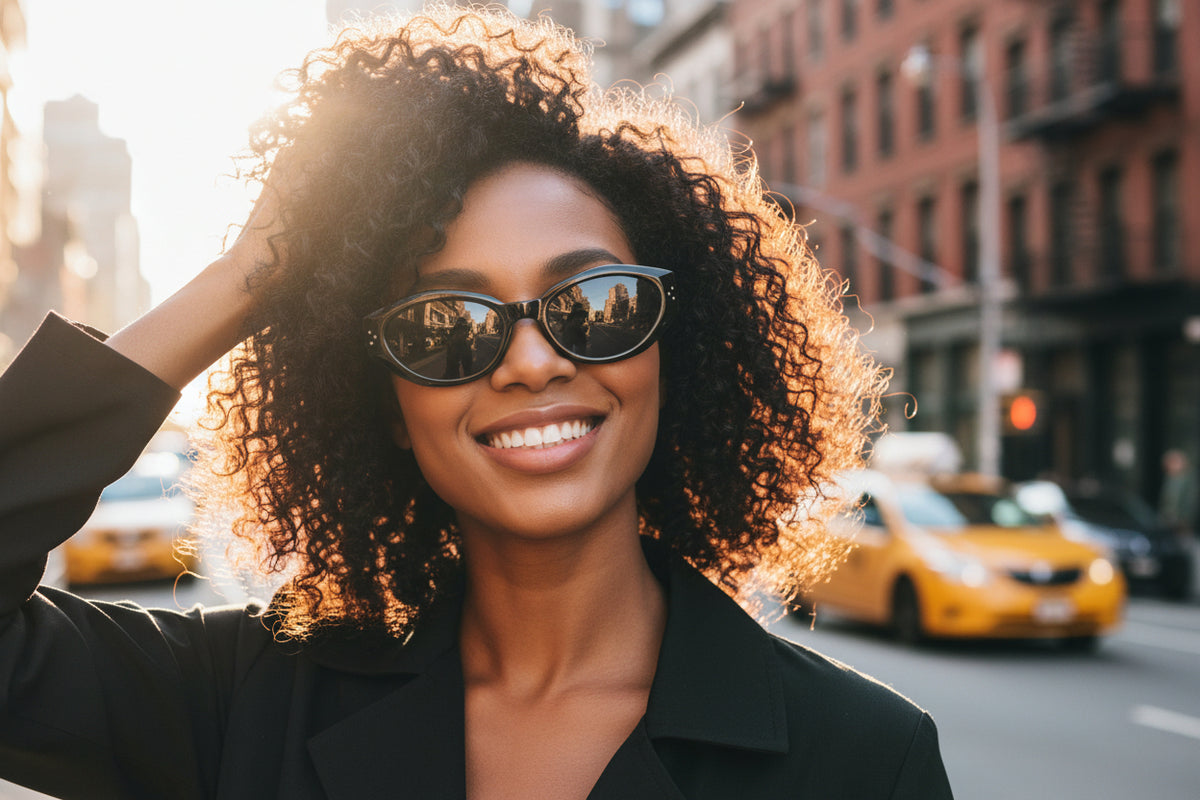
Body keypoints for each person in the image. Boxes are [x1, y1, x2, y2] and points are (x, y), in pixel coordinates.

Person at [0, 6, 952, 799]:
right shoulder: (244, 699)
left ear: (672, 349)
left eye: (596, 306)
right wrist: (255, 272)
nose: (533, 361)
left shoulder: (865, 760)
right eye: (448, 327)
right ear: (386, 407)